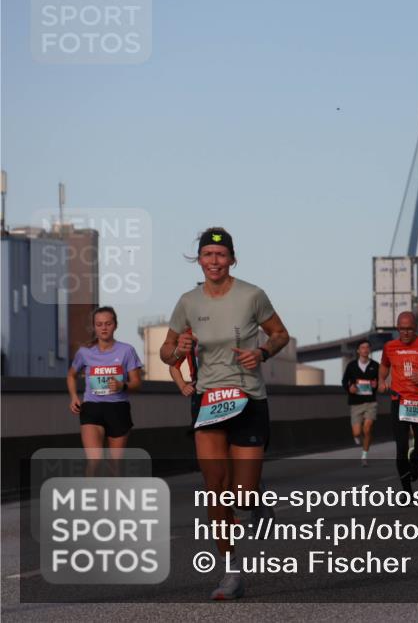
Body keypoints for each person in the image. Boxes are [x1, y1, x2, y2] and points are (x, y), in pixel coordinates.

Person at [160, 227, 290, 601]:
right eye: (207, 255)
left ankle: (255, 498)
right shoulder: (188, 302)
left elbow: (280, 333)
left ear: (232, 259)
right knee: (215, 489)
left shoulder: (252, 295)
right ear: (199, 260)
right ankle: (231, 573)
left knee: (242, 495)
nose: (214, 262)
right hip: (208, 401)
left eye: (221, 255)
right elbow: (167, 352)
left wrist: (263, 353)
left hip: (248, 398)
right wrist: (177, 346)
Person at [67, 306, 143, 476]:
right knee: (95, 460)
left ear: (115, 325)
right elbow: (71, 375)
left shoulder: (127, 350)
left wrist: (122, 386)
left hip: (118, 408)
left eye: (108, 323)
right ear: (94, 327)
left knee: (114, 466)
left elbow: (137, 383)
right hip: (92, 408)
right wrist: (73, 397)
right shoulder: (85, 352)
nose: (104, 328)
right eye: (99, 324)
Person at [378, 311, 418, 494]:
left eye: (409, 329)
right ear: (397, 328)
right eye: (402, 329)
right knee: (401, 448)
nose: (406, 333)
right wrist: (381, 380)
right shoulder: (390, 347)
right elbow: (384, 365)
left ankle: (416, 458)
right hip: (399, 401)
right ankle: (406, 492)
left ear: (415, 328)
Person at [342, 340, 379, 467]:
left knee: (367, 429)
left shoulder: (375, 365)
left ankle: (364, 455)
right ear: (358, 351)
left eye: (367, 347)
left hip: (370, 402)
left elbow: (380, 382)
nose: (365, 349)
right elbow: (344, 381)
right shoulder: (351, 365)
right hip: (355, 402)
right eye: (362, 347)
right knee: (357, 433)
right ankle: (358, 438)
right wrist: (349, 388)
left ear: (370, 350)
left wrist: (376, 385)